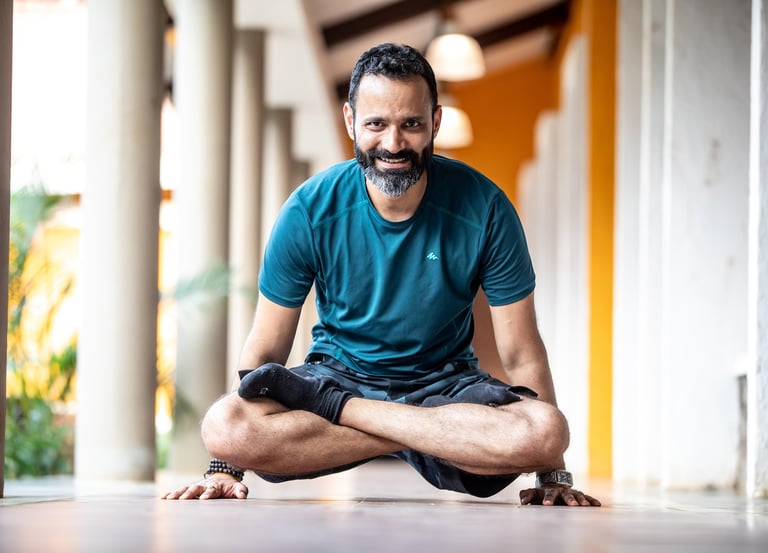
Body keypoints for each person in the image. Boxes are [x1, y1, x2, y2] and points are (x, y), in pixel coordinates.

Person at [162, 43, 600, 507]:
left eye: (411, 124)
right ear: (351, 120)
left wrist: (552, 470)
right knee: (223, 426)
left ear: (435, 122)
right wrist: (225, 463)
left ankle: (360, 414)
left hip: (443, 386)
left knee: (547, 430)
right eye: (376, 124)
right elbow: (266, 347)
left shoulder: (486, 208)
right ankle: (419, 433)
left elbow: (521, 349)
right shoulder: (309, 210)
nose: (393, 144)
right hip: (339, 378)